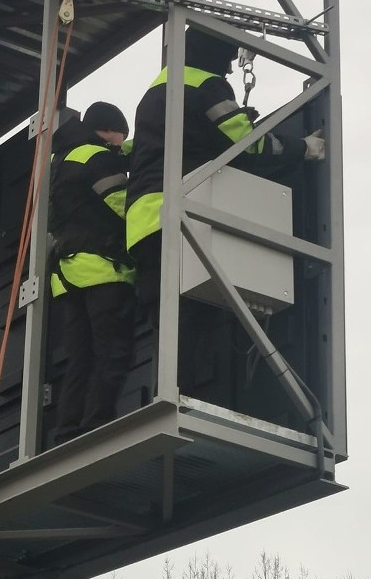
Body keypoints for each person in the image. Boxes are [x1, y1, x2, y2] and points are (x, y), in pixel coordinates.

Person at [125, 27, 325, 326]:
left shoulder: (155, 91)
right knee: (194, 331)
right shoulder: (206, 85)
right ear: (213, 55)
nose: (231, 69)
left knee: (167, 333)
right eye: (228, 59)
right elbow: (247, 146)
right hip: (183, 219)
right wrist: (302, 148)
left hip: (143, 227)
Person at [48, 101, 136, 443]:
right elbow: (123, 204)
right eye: (119, 137)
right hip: (103, 272)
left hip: (70, 275)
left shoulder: (68, 156)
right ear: (108, 130)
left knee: (79, 359)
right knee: (112, 352)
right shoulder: (96, 157)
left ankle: (67, 430)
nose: (120, 146)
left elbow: (122, 152)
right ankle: (97, 426)